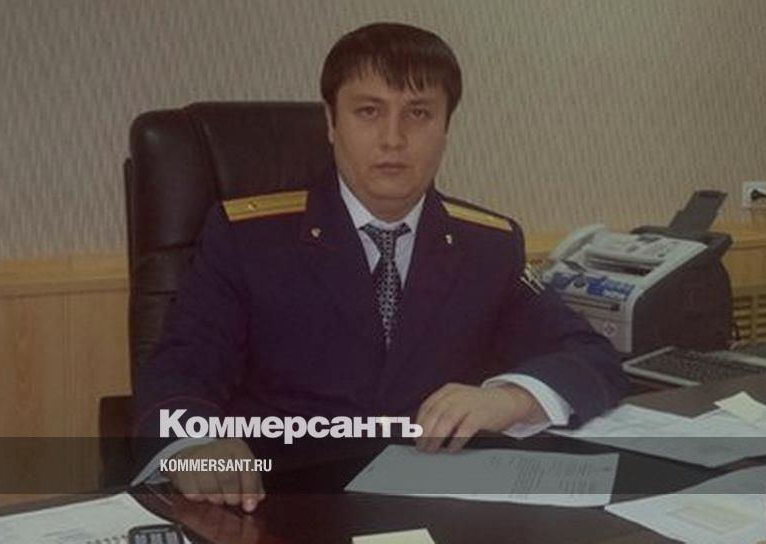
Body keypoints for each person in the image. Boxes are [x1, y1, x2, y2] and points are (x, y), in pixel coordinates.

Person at [133, 22, 627, 513]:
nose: (393, 138)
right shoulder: (249, 237)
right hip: (280, 503)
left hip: (439, 506)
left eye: (419, 113)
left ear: (446, 128)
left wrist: (510, 398)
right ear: (331, 123)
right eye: (369, 111)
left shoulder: (487, 246)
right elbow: (182, 366)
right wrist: (196, 443)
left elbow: (589, 355)